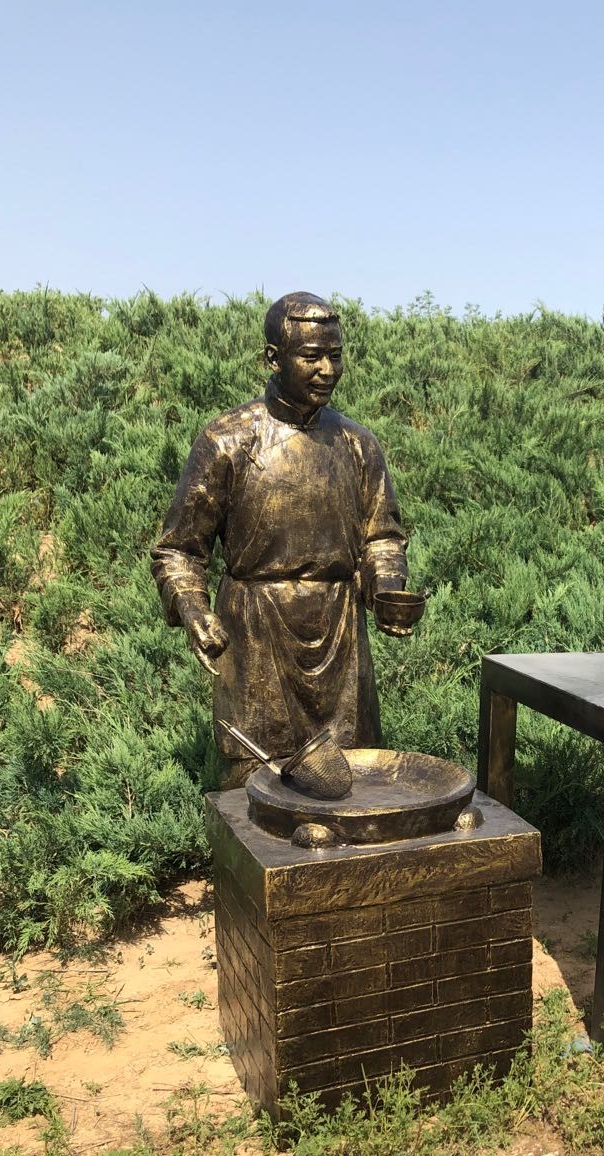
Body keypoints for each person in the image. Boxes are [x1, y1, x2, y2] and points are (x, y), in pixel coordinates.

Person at [151, 293, 412, 786]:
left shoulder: (358, 444)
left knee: (354, 789)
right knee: (253, 796)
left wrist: (386, 588)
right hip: (255, 637)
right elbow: (179, 549)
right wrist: (193, 610)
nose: (327, 370)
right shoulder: (227, 440)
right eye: (311, 356)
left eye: (335, 355)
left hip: (340, 637)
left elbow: (383, 537)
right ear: (274, 358)